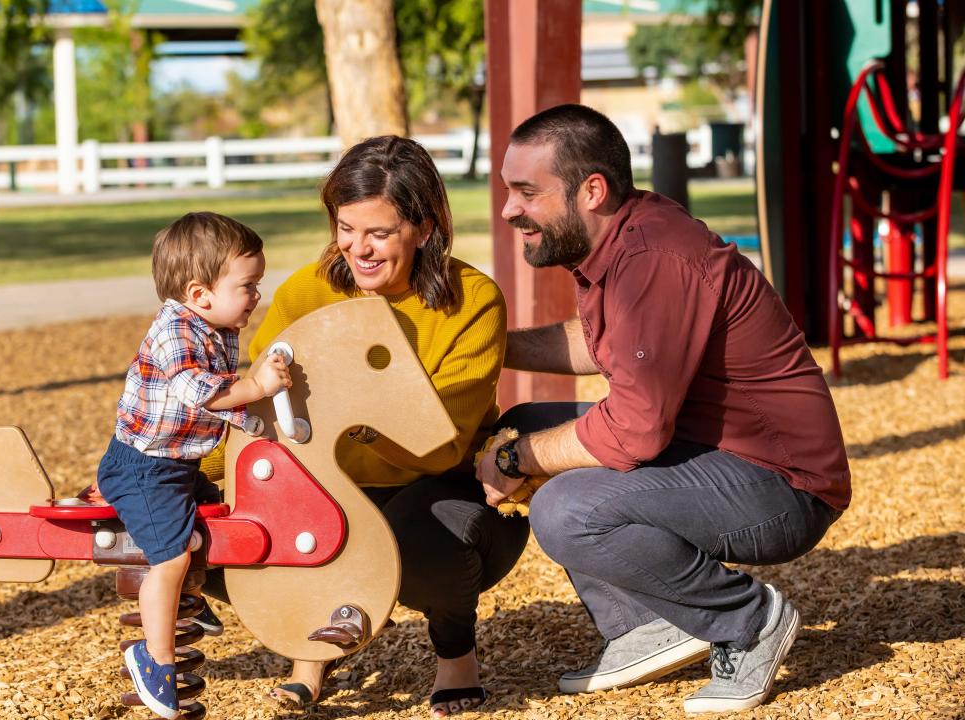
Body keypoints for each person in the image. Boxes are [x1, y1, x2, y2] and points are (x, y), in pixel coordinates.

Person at [475, 104, 850, 714]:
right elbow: (601, 344)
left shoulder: (653, 258)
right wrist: (492, 350)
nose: (509, 209)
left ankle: (748, 621)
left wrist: (519, 459)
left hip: (783, 487)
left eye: (526, 193)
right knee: (534, 427)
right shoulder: (623, 237)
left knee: (564, 505)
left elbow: (637, 429)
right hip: (719, 455)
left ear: (591, 191)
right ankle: (648, 625)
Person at [198, 135, 529, 718]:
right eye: (346, 228)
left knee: (418, 543)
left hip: (434, 485)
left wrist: (354, 419)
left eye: (379, 232)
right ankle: (311, 645)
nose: (359, 249)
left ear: (424, 228)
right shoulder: (307, 292)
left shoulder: (472, 300)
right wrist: (192, 477)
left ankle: (455, 652)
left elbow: (442, 436)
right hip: (318, 484)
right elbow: (252, 412)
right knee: (172, 516)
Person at [99, 212, 291, 720]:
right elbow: (200, 392)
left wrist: (258, 422)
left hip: (177, 465)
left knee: (216, 519)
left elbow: (224, 407)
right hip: (141, 467)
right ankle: (153, 657)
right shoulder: (175, 333)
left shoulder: (216, 325)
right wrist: (258, 387)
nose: (256, 296)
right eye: (247, 286)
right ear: (200, 292)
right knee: (172, 554)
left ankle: (189, 594)